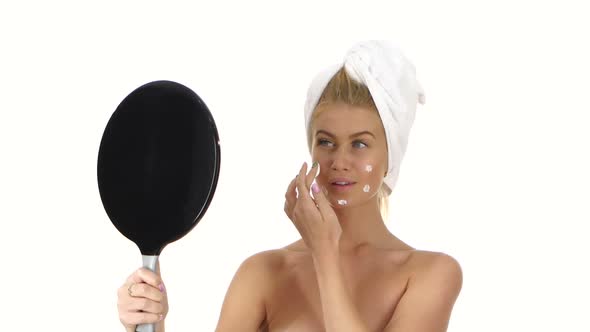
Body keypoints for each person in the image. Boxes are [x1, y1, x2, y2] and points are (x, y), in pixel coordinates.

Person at [117, 40, 463, 332]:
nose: (339, 161)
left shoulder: (430, 275)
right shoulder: (263, 272)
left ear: (392, 155)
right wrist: (149, 322)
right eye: (326, 142)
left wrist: (325, 254)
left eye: (360, 144)